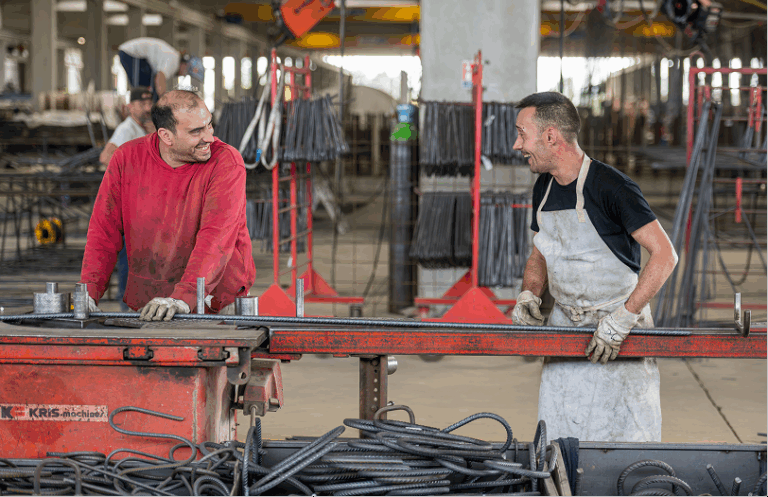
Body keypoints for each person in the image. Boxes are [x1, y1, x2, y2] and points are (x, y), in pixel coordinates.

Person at [510, 92, 678, 442]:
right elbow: (541, 252)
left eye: (522, 134)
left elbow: (664, 255)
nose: (516, 144)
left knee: (625, 444)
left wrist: (623, 319)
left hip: (618, 331)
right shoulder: (542, 187)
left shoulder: (612, 187)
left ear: (551, 136)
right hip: (565, 332)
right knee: (560, 442)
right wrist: (530, 293)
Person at [80, 89, 256, 320]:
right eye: (196, 131)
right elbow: (103, 230)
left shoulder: (225, 162)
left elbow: (216, 239)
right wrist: (88, 292)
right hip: (149, 302)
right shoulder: (127, 159)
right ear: (166, 136)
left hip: (214, 301)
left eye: (209, 125)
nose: (209, 138)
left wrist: (184, 296)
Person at [99, 86, 154, 311]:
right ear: (130, 107)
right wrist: (135, 176)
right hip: (128, 202)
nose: (147, 108)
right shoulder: (127, 129)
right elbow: (106, 156)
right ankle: (126, 305)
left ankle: (138, 301)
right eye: (141, 104)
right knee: (127, 255)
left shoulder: (143, 128)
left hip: (143, 202)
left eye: (150, 103)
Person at [117, 37, 204, 99]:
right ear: (185, 64)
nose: (183, 75)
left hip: (140, 58)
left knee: (150, 91)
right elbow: (160, 77)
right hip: (132, 54)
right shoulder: (173, 61)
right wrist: (164, 99)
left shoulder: (172, 57)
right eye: (186, 72)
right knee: (141, 92)